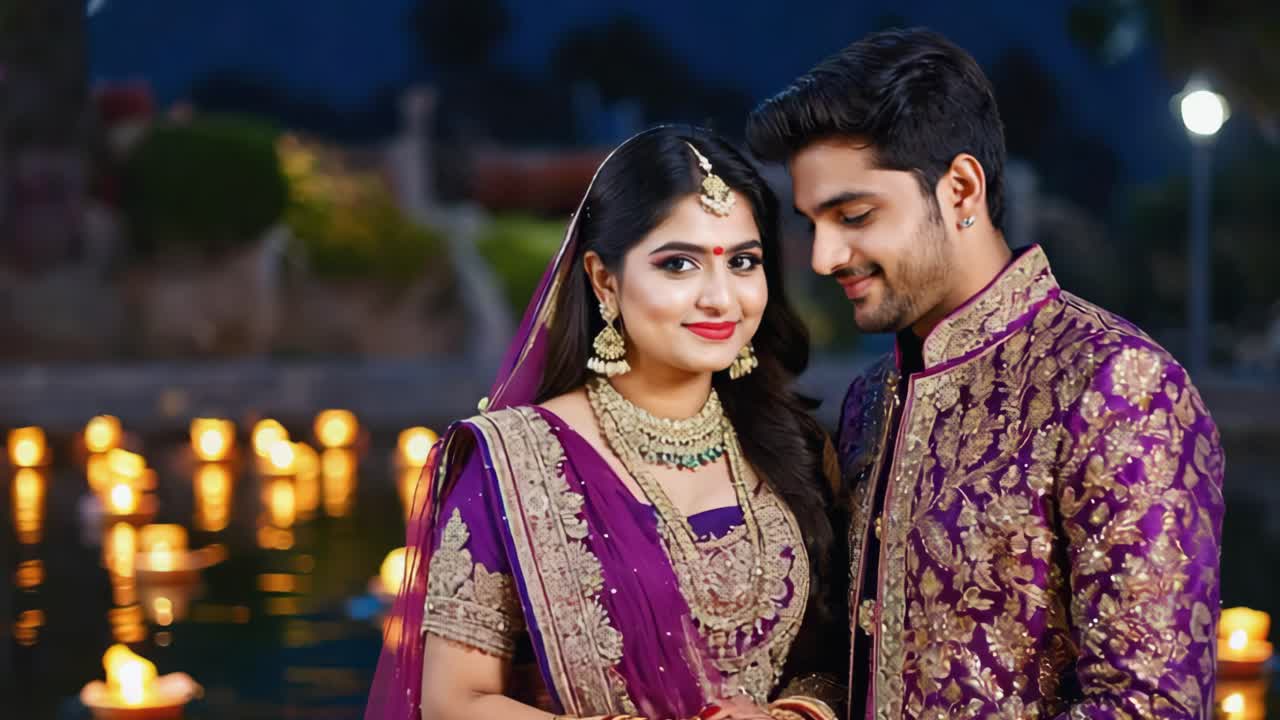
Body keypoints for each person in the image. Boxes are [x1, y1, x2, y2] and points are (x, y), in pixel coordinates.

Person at [746, 28, 1225, 720]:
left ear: (961, 189)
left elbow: (1148, 706)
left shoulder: (1116, 384)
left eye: (853, 216)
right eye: (812, 222)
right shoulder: (870, 400)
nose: (824, 256)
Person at [366, 126, 846, 720]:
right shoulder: (514, 462)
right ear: (604, 280)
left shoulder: (794, 446)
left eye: (743, 262)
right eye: (679, 265)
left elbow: (838, 662)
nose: (722, 298)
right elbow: (452, 701)